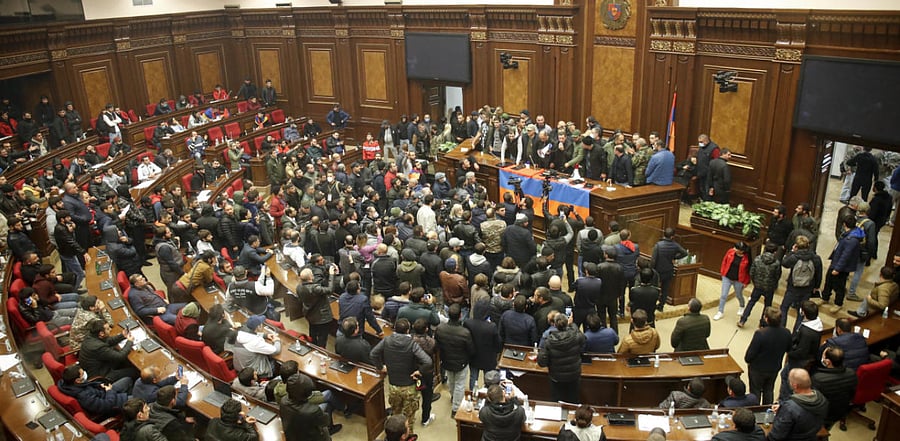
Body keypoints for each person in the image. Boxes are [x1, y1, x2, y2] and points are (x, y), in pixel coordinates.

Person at [370, 318, 433, 426]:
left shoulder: (387, 340)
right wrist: (419, 371)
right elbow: (428, 361)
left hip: (393, 385)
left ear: (394, 329)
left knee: (396, 416)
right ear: (408, 330)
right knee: (408, 420)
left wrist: (381, 367)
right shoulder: (412, 344)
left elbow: (373, 354)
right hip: (409, 387)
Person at [744, 307, 792, 405]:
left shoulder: (760, 334)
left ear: (766, 319)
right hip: (774, 368)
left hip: (757, 369)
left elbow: (749, 356)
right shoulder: (786, 332)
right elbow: (789, 349)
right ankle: (767, 411)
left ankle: (755, 413)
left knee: (755, 392)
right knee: (769, 390)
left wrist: (749, 361)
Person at [435, 303, 475, 416]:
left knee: (451, 381)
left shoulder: (440, 329)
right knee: (459, 384)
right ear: (461, 315)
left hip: (446, 360)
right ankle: (456, 408)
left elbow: (437, 344)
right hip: (461, 362)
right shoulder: (465, 332)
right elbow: (471, 349)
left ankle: (454, 397)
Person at [768, 369, 829, 441]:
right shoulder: (822, 400)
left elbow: (776, 436)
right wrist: (782, 408)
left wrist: (784, 411)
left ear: (795, 385)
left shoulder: (789, 409)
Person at [538, 314, 587, 404]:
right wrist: (573, 325)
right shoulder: (576, 336)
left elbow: (542, 362)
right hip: (573, 375)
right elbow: (584, 339)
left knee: (557, 402)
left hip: (556, 377)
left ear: (555, 325)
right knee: (573, 401)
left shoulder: (548, 341)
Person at [779, 301, 822, 401]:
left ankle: (784, 400)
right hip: (804, 359)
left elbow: (802, 351)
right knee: (784, 374)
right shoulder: (814, 324)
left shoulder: (807, 332)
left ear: (804, 312)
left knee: (788, 380)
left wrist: (789, 352)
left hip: (799, 361)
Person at [58, 364, 132, 421]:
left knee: (128, 380)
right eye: (82, 373)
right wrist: (109, 391)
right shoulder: (84, 397)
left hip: (104, 392)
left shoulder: (71, 384)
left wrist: (99, 385)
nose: (84, 373)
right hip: (111, 404)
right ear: (77, 380)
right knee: (137, 398)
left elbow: (87, 385)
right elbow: (107, 405)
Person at [821, 216, 863, 314]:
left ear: (844, 224)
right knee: (828, 281)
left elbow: (846, 255)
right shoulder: (848, 234)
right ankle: (825, 297)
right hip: (835, 261)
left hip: (841, 267)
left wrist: (838, 268)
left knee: (839, 286)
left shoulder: (852, 239)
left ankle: (838, 303)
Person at [780, 235, 823, 328]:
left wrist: (791, 252)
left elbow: (784, 263)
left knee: (784, 307)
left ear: (796, 246)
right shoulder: (815, 258)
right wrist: (816, 286)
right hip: (807, 288)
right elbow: (819, 273)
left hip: (793, 287)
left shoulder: (794, 257)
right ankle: (796, 334)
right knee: (802, 311)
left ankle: (782, 328)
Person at [811, 347, 858, 430]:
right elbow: (852, 394)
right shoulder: (852, 373)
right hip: (840, 412)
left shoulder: (818, 379)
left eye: (824, 357)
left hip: (822, 415)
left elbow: (812, 402)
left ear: (828, 362)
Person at [740, 242, 782, 328]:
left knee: (751, 302)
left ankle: (743, 320)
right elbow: (777, 276)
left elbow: (752, 272)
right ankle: (763, 324)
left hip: (758, 286)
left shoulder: (757, 259)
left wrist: (755, 282)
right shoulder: (776, 263)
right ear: (775, 252)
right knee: (767, 306)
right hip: (769, 288)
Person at [464, 300, 502, 391]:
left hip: (473, 356)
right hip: (488, 358)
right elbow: (498, 344)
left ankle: (473, 395)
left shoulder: (468, 323)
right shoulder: (491, 326)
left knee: (473, 377)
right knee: (489, 379)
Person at [232, 315, 281, 379]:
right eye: (261, 324)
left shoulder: (240, 332)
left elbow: (252, 334)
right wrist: (277, 341)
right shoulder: (255, 342)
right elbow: (276, 350)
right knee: (276, 363)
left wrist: (265, 335)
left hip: (241, 367)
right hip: (253, 372)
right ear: (258, 327)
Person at [651, 228, 687, 311]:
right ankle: (661, 306)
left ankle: (653, 304)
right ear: (672, 236)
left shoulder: (658, 245)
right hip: (669, 270)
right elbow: (685, 253)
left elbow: (653, 260)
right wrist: (675, 257)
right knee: (665, 289)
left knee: (655, 288)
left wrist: (651, 270)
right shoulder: (675, 245)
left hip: (658, 271)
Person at [714, 241, 750, 321]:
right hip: (727, 277)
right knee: (723, 295)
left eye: (736, 248)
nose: (734, 249)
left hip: (739, 280)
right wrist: (722, 272)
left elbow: (748, 271)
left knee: (738, 295)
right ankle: (720, 311)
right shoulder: (730, 252)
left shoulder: (747, 258)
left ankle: (742, 305)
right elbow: (724, 261)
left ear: (742, 250)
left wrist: (746, 282)